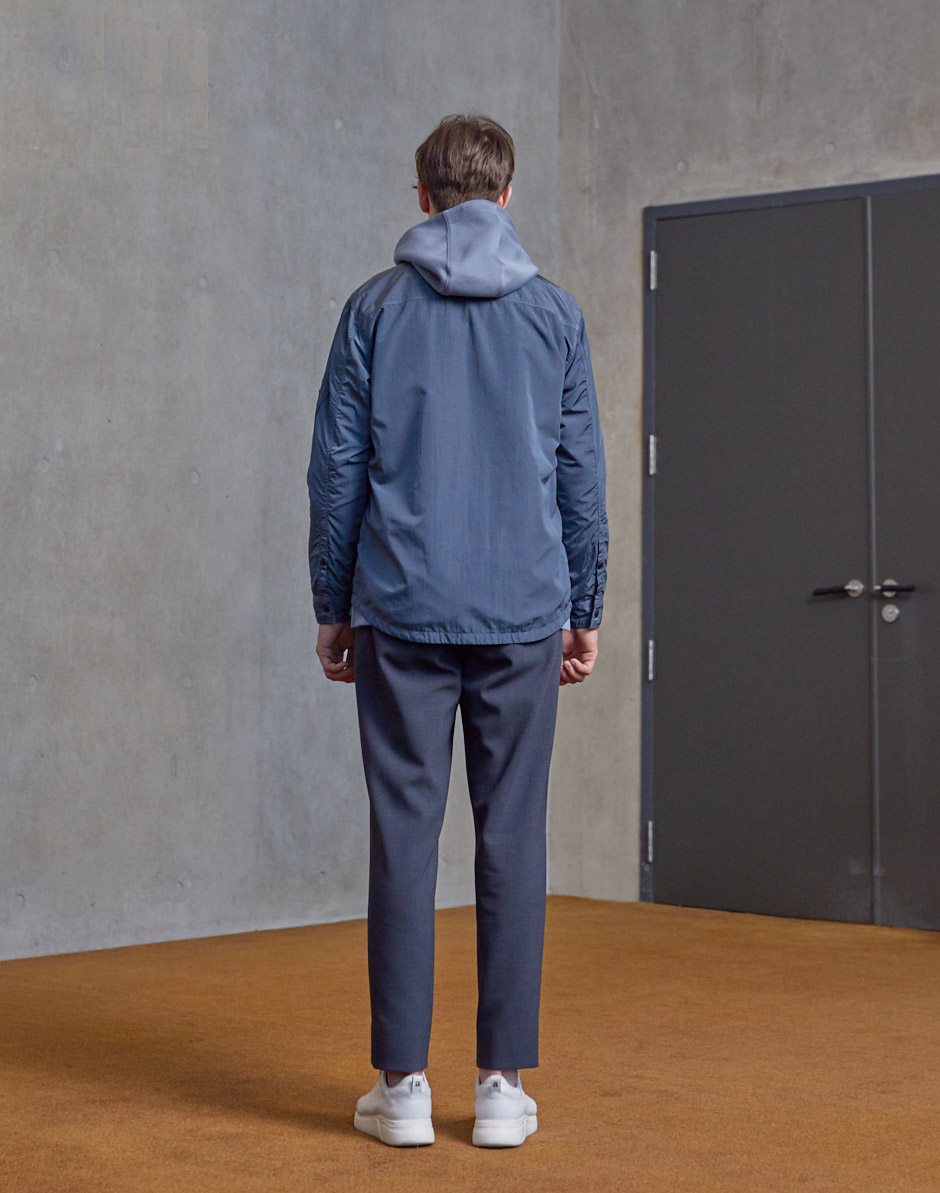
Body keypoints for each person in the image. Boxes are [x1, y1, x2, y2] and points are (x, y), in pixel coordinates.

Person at [306, 112, 608, 1148]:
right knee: (512, 838)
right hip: (523, 612)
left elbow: (337, 471)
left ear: (423, 197)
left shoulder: (373, 310)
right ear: (506, 195)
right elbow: (579, 476)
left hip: (401, 609)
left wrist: (333, 605)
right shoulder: (555, 316)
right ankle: (500, 1087)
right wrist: (585, 608)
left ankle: (401, 1088)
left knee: (403, 837)